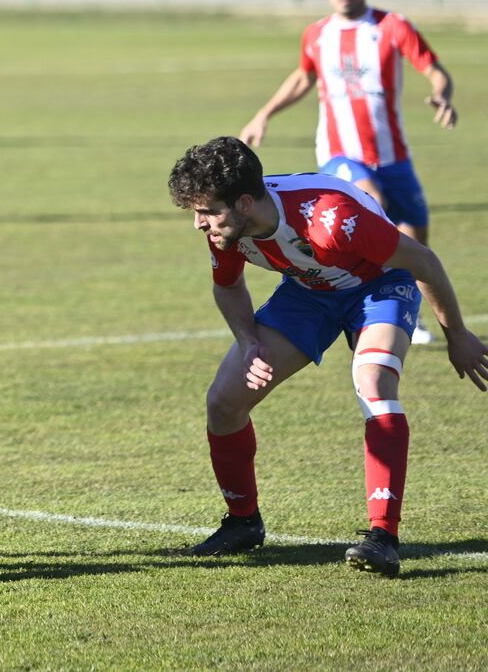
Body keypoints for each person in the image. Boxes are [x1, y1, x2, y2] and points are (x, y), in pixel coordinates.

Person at [167, 137, 487, 577]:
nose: (199, 224)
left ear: (243, 202)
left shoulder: (333, 220)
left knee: (373, 381)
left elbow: (423, 261)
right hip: (308, 292)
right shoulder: (228, 228)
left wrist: (457, 335)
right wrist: (249, 342)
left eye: (207, 212)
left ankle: (383, 537)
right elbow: (228, 286)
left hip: (377, 286)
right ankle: (243, 522)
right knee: (224, 400)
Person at [239, 0, 458, 343]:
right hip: (341, 155)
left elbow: (434, 70)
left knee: (416, 239)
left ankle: (405, 314)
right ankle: (361, 310)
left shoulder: (392, 26)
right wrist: (264, 113)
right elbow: (304, 77)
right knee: (371, 202)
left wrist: (442, 95)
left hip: (394, 156)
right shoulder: (318, 35)